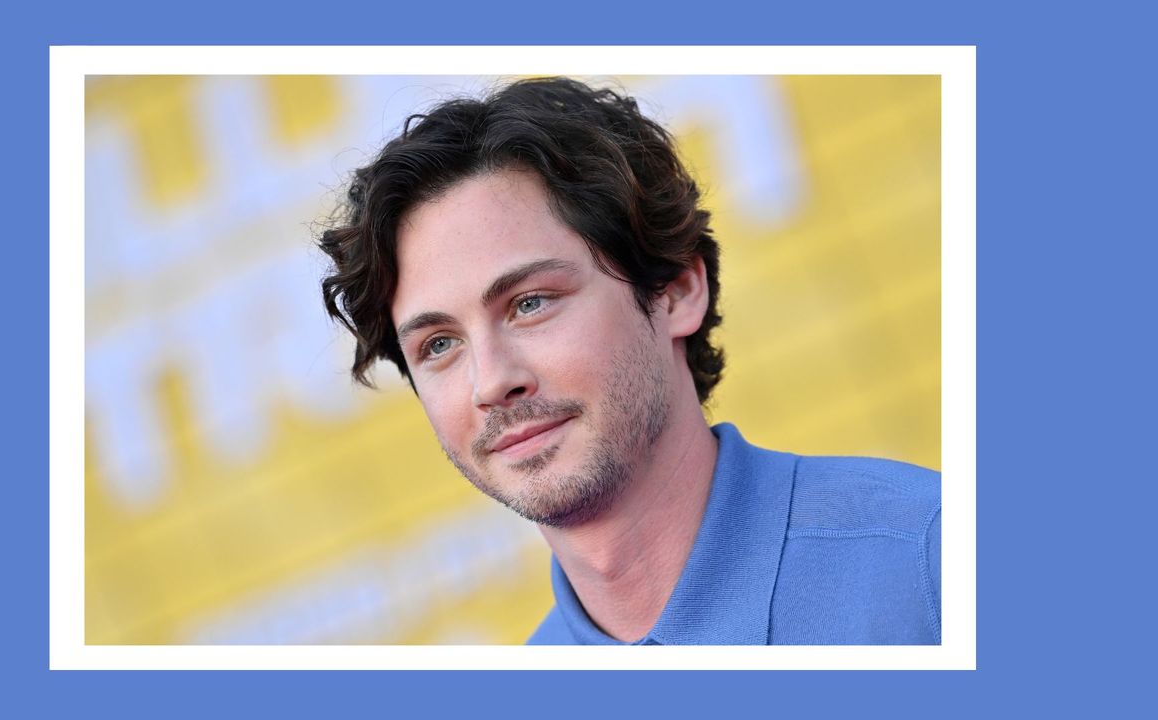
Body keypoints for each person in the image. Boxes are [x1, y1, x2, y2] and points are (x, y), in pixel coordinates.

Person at [317, 77, 940, 645]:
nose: (492, 380)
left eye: (530, 303)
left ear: (675, 291)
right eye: (439, 345)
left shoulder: (935, 561)